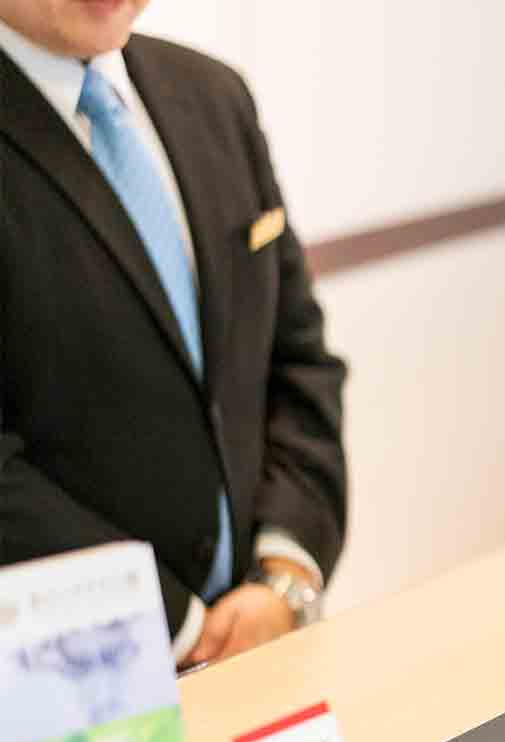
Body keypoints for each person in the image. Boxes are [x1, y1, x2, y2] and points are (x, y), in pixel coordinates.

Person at [0, 0, 347, 667]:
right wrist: (177, 625)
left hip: (263, 642)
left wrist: (284, 573)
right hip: (63, 678)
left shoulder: (213, 95)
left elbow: (299, 360)